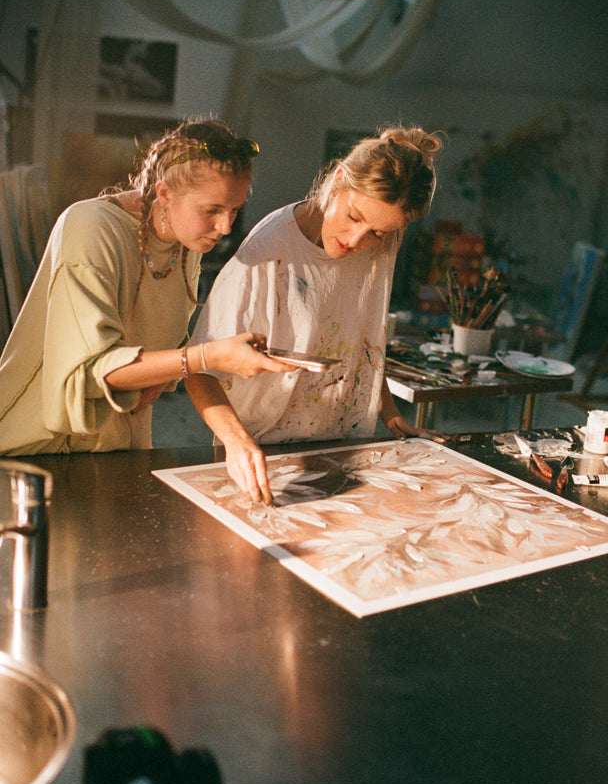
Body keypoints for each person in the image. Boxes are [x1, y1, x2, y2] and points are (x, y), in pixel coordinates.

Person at [0, 117, 292, 455]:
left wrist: (160, 374)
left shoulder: (187, 245)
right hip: (38, 447)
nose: (225, 227)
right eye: (211, 210)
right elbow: (94, 370)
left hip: (115, 445)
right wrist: (207, 356)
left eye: (234, 210)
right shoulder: (91, 228)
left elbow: (163, 353)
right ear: (165, 193)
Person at [186, 124, 443, 505]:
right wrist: (236, 442)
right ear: (337, 179)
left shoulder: (381, 245)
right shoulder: (266, 253)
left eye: (377, 232)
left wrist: (390, 414)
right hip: (264, 456)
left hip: (347, 449)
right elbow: (200, 370)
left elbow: (361, 343)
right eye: (354, 217)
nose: (356, 240)